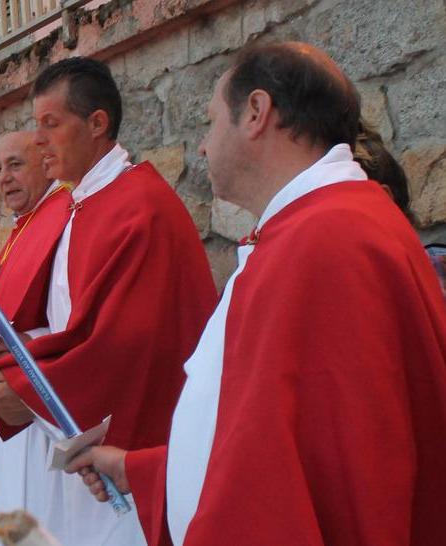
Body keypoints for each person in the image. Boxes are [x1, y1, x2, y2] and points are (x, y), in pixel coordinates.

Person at [68, 42, 446, 546]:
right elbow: (276, 439)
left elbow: (336, 484)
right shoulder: (314, 228)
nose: (201, 146)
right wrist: (142, 470)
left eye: (209, 122)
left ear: (255, 112)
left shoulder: (326, 241)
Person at [0, 57, 217, 545]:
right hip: (86, 425)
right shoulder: (87, 200)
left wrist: (27, 388)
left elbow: (128, 342)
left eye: (51, 124)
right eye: (36, 124)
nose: (39, 138)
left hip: (128, 431)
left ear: (98, 124)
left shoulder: (137, 207)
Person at [0, 131, 72, 546]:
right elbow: (0, 314)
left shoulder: (62, 216)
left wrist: (13, 353)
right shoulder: (25, 225)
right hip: (12, 400)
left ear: (46, 163)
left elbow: (70, 323)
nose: (3, 178)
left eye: (15, 165)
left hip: (41, 406)